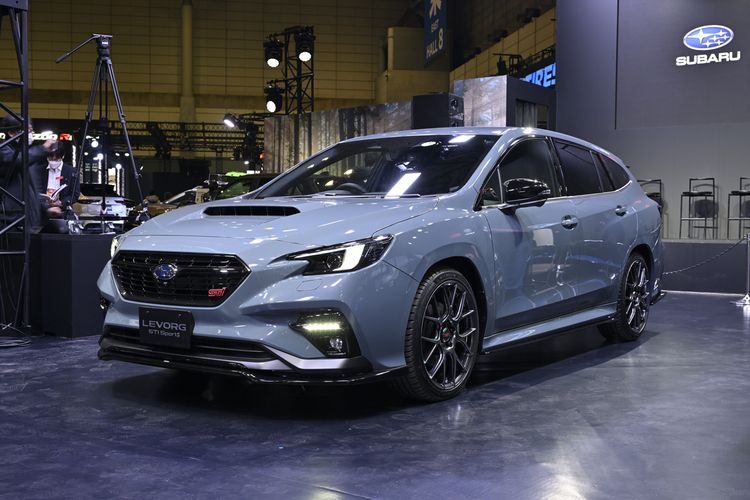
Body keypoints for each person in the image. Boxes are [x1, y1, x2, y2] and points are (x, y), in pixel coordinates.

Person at [0, 115, 53, 231]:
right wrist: (43, 148)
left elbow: (34, 190)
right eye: (27, 130)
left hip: (28, 221)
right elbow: (16, 161)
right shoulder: (4, 151)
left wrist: (46, 208)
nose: (31, 133)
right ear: (12, 133)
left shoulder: (28, 157)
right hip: (9, 221)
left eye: (31, 130)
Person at [30, 141, 80, 222]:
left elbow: (75, 194)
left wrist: (60, 203)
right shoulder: (39, 170)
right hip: (41, 213)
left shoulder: (71, 172)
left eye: (57, 158)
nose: (53, 159)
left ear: (62, 156)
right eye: (50, 157)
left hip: (63, 213)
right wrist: (45, 206)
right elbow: (34, 192)